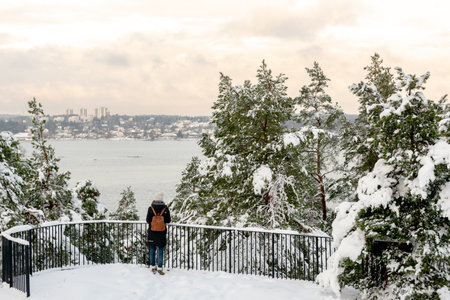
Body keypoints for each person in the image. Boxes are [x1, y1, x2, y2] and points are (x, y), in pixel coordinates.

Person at [146, 192, 171, 275]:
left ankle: (153, 267)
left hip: (152, 232)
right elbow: (168, 220)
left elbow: (147, 220)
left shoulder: (151, 208)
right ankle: (160, 267)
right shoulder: (165, 208)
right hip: (161, 233)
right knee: (160, 250)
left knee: (152, 249)